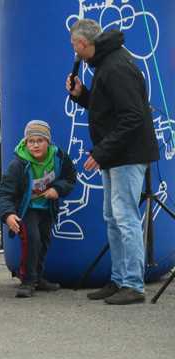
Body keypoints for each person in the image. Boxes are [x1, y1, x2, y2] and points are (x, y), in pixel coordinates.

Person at [66, 19, 159, 305]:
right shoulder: (105, 63)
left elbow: (133, 116)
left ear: (83, 44)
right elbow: (109, 109)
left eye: (74, 46)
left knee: (125, 217)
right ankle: (119, 279)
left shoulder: (116, 67)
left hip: (127, 156)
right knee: (113, 217)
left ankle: (133, 284)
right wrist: (83, 96)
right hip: (116, 154)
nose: (73, 51)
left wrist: (101, 151)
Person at [0, 120, 76, 298]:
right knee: (32, 239)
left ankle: (38, 277)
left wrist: (57, 189)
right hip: (26, 208)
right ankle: (27, 280)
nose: (35, 145)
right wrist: (8, 215)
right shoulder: (18, 165)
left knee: (44, 241)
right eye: (31, 141)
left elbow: (70, 178)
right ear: (25, 142)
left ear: (48, 142)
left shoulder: (59, 157)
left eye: (40, 140)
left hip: (47, 207)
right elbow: (3, 195)